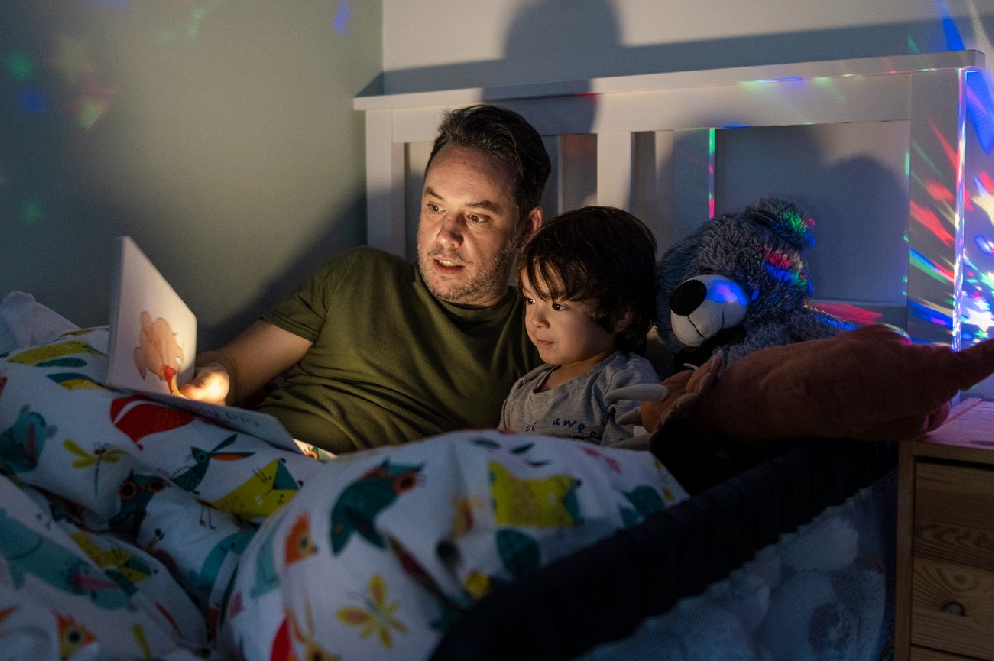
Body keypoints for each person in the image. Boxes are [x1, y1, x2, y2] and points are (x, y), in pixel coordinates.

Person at [179, 104, 550, 454]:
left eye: (476, 218)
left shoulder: (538, 334)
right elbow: (236, 366)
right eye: (435, 207)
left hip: (378, 500)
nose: (445, 235)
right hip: (262, 459)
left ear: (525, 230)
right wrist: (217, 379)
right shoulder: (359, 273)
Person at [499, 206, 658, 448]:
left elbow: (627, 468)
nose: (535, 320)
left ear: (620, 315)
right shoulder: (522, 391)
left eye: (558, 306)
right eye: (531, 300)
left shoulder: (625, 378)